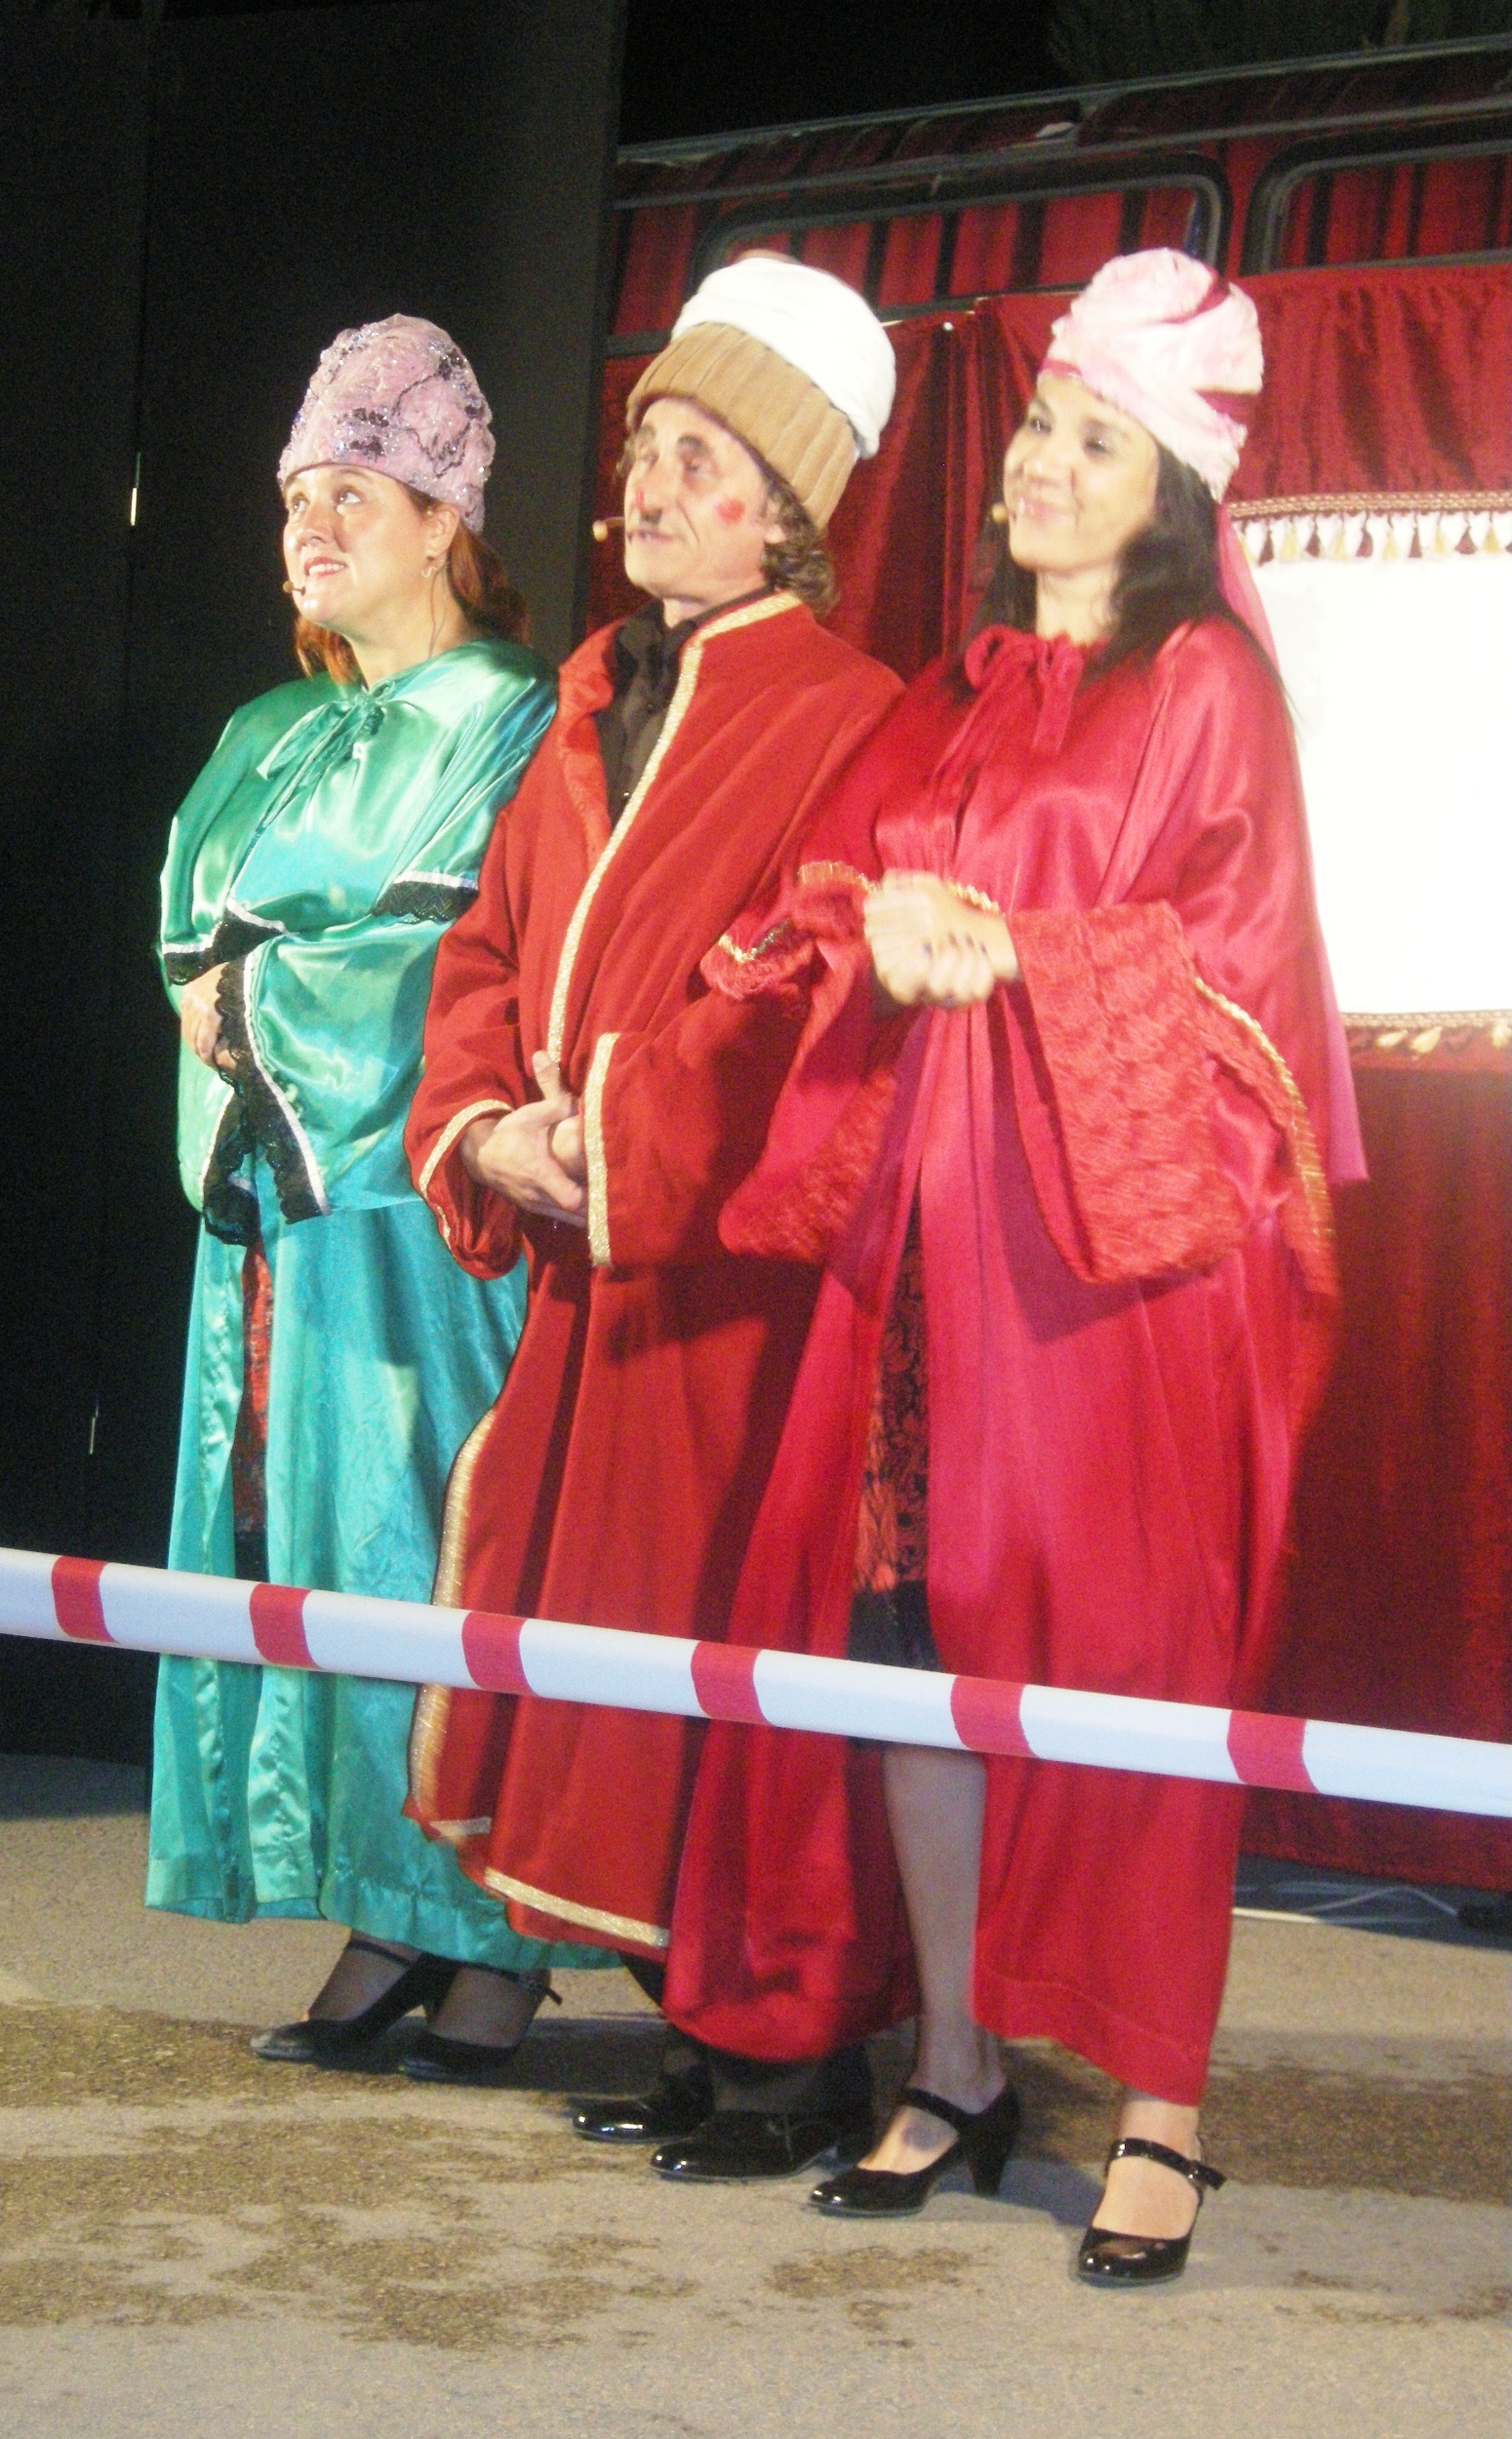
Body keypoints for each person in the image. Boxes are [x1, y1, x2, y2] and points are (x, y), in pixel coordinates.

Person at [663, 250, 1365, 2280]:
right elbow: (821, 895)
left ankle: (1160, 2112)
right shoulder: (954, 689)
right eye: (1040, 425)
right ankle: (956, 2063)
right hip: (919, 1265)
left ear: (1174, 489)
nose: (1036, 465)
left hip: (1107, 1289)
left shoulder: (1203, 689)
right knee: (907, 1653)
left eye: (1090, 441)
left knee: (1129, 1678)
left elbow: (1236, 998)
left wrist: (1011, 953)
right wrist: (870, 932)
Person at [403, 255, 905, 2172]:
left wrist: (607, 1133)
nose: (649, 486)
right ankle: (703, 2027)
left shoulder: (848, 715)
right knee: (604, 1652)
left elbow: (803, 985)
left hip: (731, 1290)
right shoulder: (593, 696)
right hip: (588, 1274)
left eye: (700, 458)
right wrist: (481, 1128)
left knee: (729, 1653)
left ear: (785, 509)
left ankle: (792, 2054)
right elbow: (484, 946)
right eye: (645, 447)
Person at [146, 313, 596, 2080]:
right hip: (282, 1211)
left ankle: (492, 1927)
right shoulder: (268, 727)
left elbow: (458, 957)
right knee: (313, 1547)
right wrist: (225, 993)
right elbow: (188, 931)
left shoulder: (511, 719)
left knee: (430, 1537)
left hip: (423, 1216)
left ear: (440, 520)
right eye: (295, 499)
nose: (312, 527)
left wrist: (254, 991)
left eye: (353, 492)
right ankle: (383, 1906)